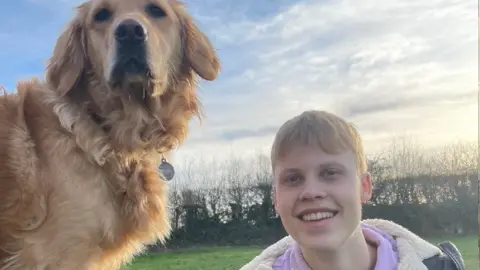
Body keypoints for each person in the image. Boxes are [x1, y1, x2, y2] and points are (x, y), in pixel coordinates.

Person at [240, 110, 465, 270]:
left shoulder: (439, 266)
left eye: (330, 173)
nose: (311, 192)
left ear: (364, 187)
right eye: (293, 178)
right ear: (276, 198)